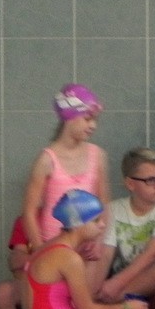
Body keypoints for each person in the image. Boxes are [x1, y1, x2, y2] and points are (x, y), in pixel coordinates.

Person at [23, 189, 152, 309]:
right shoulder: (68, 258)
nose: (102, 225)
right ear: (78, 224)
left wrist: (85, 260)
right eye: (96, 220)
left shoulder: (46, 249)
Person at [95, 147, 155, 309]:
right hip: (127, 287)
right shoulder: (114, 210)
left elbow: (151, 255)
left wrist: (115, 285)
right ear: (130, 183)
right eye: (150, 180)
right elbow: (106, 253)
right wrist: (96, 283)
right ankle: (99, 302)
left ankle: (102, 304)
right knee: (91, 254)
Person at [21, 83, 110, 253]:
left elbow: (104, 202)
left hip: (87, 246)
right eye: (87, 119)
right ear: (69, 117)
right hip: (54, 245)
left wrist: (99, 241)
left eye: (95, 120)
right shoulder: (46, 160)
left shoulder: (98, 156)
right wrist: (40, 251)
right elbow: (29, 212)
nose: (93, 126)